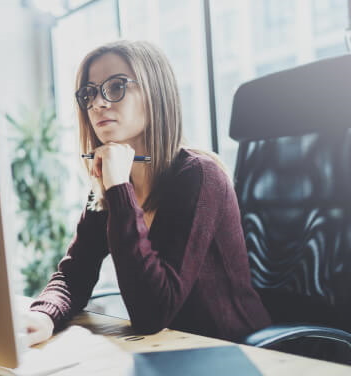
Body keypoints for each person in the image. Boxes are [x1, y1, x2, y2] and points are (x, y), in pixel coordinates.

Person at [23, 40, 271, 346]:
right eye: (89, 92)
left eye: (115, 87)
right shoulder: (111, 185)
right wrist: (43, 315)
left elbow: (153, 312)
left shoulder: (198, 176)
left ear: (155, 93)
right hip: (169, 349)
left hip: (234, 351)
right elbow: (75, 271)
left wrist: (118, 189)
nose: (97, 103)